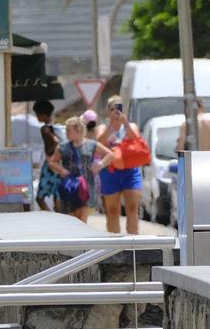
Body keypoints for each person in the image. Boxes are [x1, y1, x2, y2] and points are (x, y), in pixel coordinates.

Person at [49, 116, 115, 222]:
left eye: (68, 130)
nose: (66, 133)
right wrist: (61, 170)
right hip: (69, 188)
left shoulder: (91, 144)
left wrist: (100, 164)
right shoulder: (62, 147)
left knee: (82, 220)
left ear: (78, 130)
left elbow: (110, 154)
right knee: (70, 221)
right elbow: (52, 162)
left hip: (86, 188)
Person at [95, 97, 144, 234]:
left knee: (133, 209)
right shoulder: (102, 128)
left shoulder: (131, 126)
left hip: (130, 171)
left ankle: (133, 244)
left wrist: (125, 123)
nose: (116, 112)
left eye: (119, 109)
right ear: (107, 112)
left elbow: (137, 140)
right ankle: (114, 244)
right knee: (112, 210)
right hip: (110, 172)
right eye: (112, 109)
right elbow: (99, 144)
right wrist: (111, 126)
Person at [34, 102, 62, 212]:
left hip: (50, 165)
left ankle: (50, 216)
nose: (37, 117)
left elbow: (55, 141)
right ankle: (59, 218)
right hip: (58, 164)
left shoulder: (45, 129)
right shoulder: (56, 126)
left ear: (43, 115)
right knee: (57, 194)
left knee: (40, 197)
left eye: (37, 114)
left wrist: (51, 155)